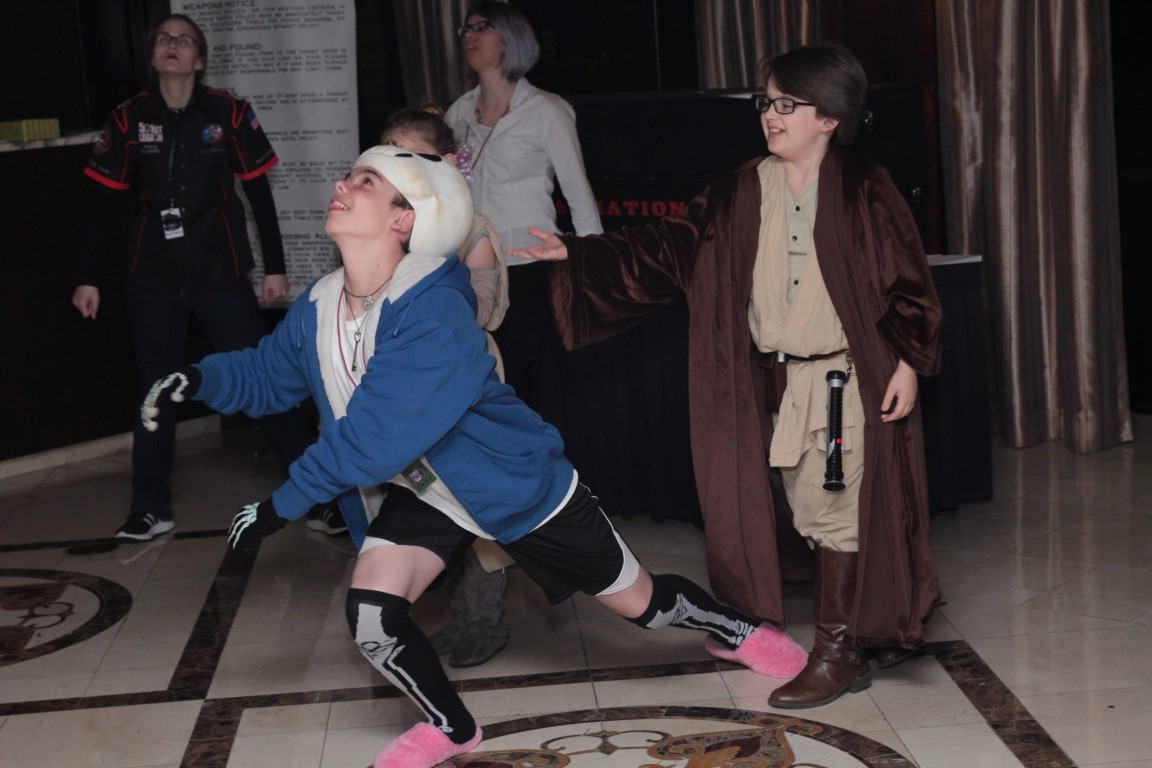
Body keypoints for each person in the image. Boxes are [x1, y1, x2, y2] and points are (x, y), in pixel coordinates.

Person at [140, 145, 808, 768]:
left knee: (645, 606)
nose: (342, 185)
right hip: (425, 490)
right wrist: (196, 380)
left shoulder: (433, 310)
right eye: (350, 176)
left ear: (403, 219)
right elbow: (268, 374)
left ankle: (736, 629)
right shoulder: (319, 305)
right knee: (372, 614)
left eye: (365, 181)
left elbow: (373, 436)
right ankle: (451, 728)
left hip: (515, 485)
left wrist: (279, 506)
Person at [512, 45, 945, 709]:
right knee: (802, 507)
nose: (771, 114)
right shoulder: (743, 188)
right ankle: (854, 628)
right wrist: (580, 253)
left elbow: (909, 282)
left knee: (833, 507)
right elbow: (670, 246)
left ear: (829, 117)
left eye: (787, 103)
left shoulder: (864, 187)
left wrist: (909, 363)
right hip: (775, 382)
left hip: (841, 384)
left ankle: (838, 652)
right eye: (767, 101)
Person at [72, 14, 345, 540]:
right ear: (153, 55)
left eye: (184, 40)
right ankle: (150, 507)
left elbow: (258, 193)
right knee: (154, 388)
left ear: (199, 59)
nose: (172, 45)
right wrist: (88, 277)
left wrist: (276, 267)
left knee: (263, 379)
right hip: (151, 276)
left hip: (220, 271)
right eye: (163, 38)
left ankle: (318, 498)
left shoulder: (229, 112)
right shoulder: (129, 117)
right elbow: (104, 205)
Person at [380, 106, 515, 668]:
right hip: (405, 389)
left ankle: (482, 621)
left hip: (465, 387)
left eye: (418, 158)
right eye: (394, 156)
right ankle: (445, 618)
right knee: (425, 502)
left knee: (476, 507)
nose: (405, 170)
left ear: (449, 162)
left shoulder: (470, 228)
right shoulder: (380, 223)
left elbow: (478, 311)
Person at [444, 1, 602, 418]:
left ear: (511, 38)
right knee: (480, 378)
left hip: (528, 265)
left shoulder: (547, 111)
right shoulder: (458, 113)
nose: (470, 36)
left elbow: (579, 195)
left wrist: (592, 271)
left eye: (482, 27)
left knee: (522, 383)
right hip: (471, 266)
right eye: (466, 29)